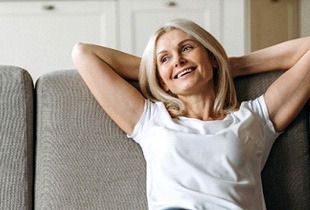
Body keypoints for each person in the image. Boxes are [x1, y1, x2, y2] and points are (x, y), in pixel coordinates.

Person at [72, 19, 310, 210]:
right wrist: (161, 72)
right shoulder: (150, 120)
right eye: (165, 58)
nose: (178, 60)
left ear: (212, 57)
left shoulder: (255, 117)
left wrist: (235, 64)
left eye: (186, 48)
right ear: (160, 79)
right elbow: (83, 54)